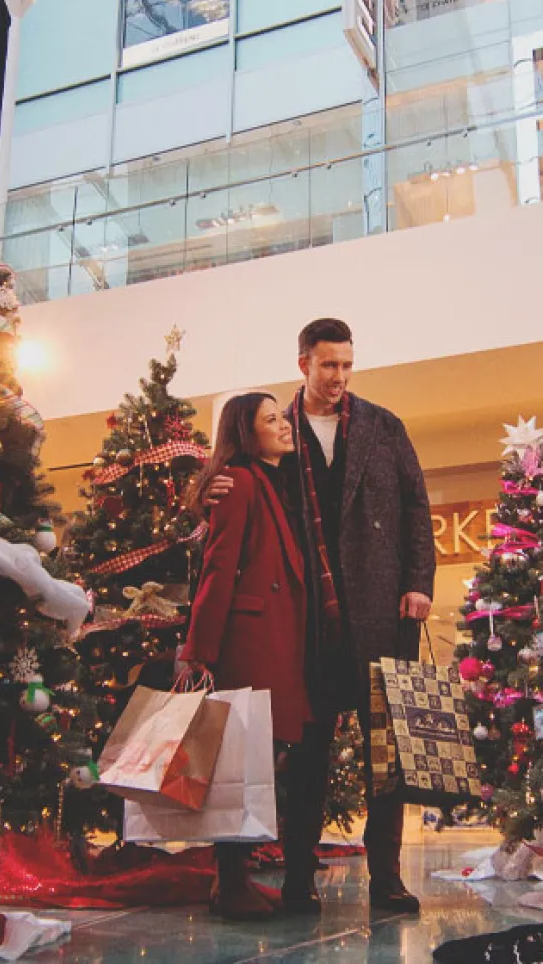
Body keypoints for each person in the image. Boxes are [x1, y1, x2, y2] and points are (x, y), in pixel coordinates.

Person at [204, 318, 436, 917]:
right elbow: (236, 483)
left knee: (388, 754)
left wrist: (418, 583)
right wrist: (207, 492)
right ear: (303, 362)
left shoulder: (385, 427)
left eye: (347, 365)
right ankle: (299, 876)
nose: (339, 377)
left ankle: (386, 875)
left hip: (384, 612)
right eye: (328, 364)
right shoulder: (276, 433)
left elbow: (417, 505)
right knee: (306, 755)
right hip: (306, 618)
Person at [177, 392, 311, 922]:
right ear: (247, 433)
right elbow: (218, 567)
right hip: (249, 644)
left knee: (259, 761)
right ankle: (230, 884)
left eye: (283, 416)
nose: (284, 425)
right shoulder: (239, 482)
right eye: (271, 419)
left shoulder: (271, 480)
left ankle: (235, 880)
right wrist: (199, 650)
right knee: (241, 763)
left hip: (272, 640)